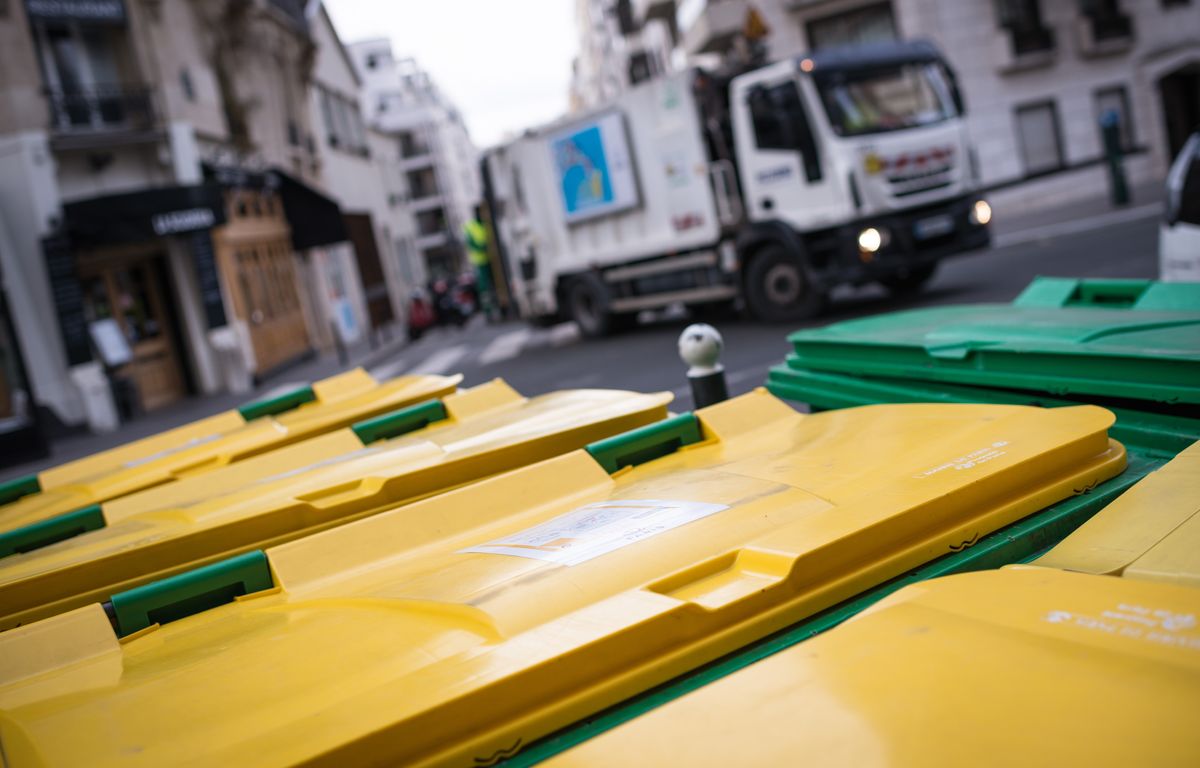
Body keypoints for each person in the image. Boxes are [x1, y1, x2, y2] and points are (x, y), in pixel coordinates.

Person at [463, 206, 496, 320]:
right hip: (480, 262)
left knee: (494, 285)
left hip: (492, 259)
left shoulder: (486, 223)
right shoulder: (470, 227)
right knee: (484, 288)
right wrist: (484, 247)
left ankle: (497, 306)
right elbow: (472, 244)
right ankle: (488, 311)